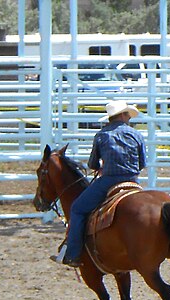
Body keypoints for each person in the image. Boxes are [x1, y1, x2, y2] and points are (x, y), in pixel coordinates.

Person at [52, 100, 146, 267]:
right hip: (132, 180)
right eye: (128, 114)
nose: (129, 118)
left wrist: (101, 167)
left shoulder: (102, 135)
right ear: (123, 115)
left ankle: (73, 254)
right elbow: (142, 163)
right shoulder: (136, 134)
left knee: (78, 209)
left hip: (109, 181)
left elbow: (92, 164)